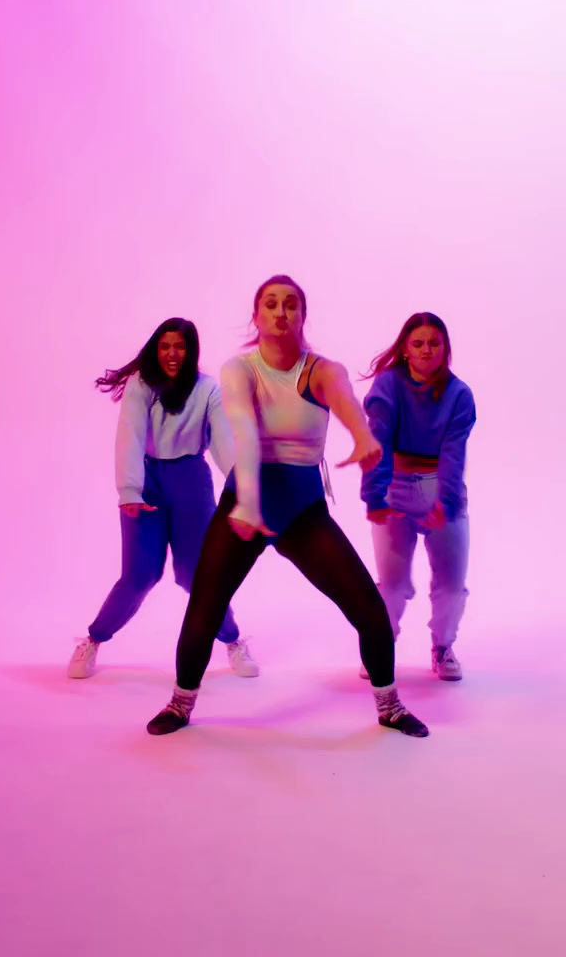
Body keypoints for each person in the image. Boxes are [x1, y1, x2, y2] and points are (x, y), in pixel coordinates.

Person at [146, 278, 429, 738]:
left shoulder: (322, 369)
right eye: (271, 304)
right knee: (205, 605)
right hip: (244, 505)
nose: (281, 312)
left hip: (302, 512)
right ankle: (180, 705)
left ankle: (390, 706)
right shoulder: (240, 369)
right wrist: (250, 505)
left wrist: (362, 437)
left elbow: (345, 402)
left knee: (368, 608)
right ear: (256, 317)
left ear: (302, 316)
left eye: (291, 305)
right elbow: (244, 432)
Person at [67, 318, 258, 680]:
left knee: (197, 575)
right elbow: (131, 435)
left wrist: (244, 489)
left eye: (180, 346)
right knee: (139, 575)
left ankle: (232, 640)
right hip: (148, 481)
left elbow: (224, 443)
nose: (172, 353)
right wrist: (129, 490)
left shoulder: (208, 390)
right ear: (157, 349)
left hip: (191, 480)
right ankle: (93, 639)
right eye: (165, 346)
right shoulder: (142, 385)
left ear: (191, 351)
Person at [360, 313, 476, 681]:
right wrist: (374, 495)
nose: (427, 350)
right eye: (418, 343)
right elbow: (379, 440)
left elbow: (454, 453)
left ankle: (442, 647)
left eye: (435, 343)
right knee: (392, 585)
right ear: (406, 350)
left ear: (445, 350)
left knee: (452, 585)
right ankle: (381, 645)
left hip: (439, 487)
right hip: (395, 489)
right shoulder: (388, 385)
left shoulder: (459, 395)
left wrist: (448, 501)